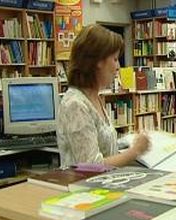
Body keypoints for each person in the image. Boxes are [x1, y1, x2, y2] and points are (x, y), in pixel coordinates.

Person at [57, 24, 150, 168]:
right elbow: (90, 165)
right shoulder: (75, 105)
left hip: (106, 186)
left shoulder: (94, 97)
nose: (118, 66)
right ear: (98, 61)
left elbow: (104, 149)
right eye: (114, 59)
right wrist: (134, 151)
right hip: (82, 187)